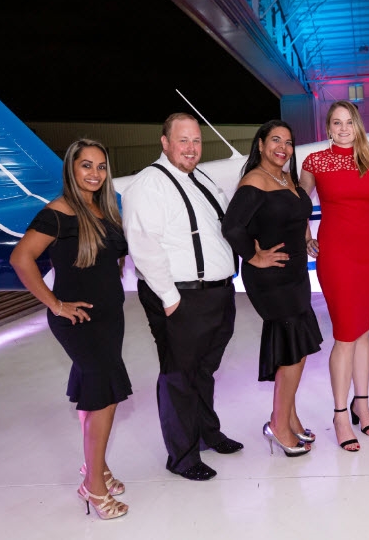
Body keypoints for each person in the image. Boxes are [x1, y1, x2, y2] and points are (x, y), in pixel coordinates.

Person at [10, 139, 131, 520]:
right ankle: (93, 487)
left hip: (109, 317)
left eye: (100, 166)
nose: (94, 173)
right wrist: (56, 304)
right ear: (71, 169)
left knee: (96, 394)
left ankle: (97, 467)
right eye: (86, 166)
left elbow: (112, 261)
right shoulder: (58, 213)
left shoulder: (104, 210)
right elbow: (21, 257)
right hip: (78, 321)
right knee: (104, 397)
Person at [121, 113, 243, 483]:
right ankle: (182, 455)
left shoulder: (200, 179)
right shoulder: (148, 184)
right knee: (178, 376)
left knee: (204, 371)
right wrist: (171, 299)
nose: (191, 148)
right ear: (164, 142)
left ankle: (207, 433)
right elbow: (143, 245)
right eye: (183, 140)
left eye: (196, 141)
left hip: (216, 295)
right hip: (182, 298)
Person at [222, 120, 323, 457]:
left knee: (297, 347)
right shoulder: (254, 180)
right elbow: (232, 226)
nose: (283, 147)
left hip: (293, 273)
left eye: (289, 142)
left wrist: (307, 237)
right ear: (261, 145)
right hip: (272, 278)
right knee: (293, 349)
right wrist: (253, 256)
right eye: (275, 140)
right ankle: (278, 426)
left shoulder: (285, 179)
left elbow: (293, 215)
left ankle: (288, 417)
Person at [299, 101, 369, 452]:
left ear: (357, 124)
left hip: (368, 256)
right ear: (328, 127)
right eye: (336, 122)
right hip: (336, 256)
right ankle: (339, 414)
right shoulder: (315, 162)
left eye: (349, 122)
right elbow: (298, 204)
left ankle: (361, 404)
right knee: (346, 335)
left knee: (363, 331)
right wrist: (306, 236)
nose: (343, 128)